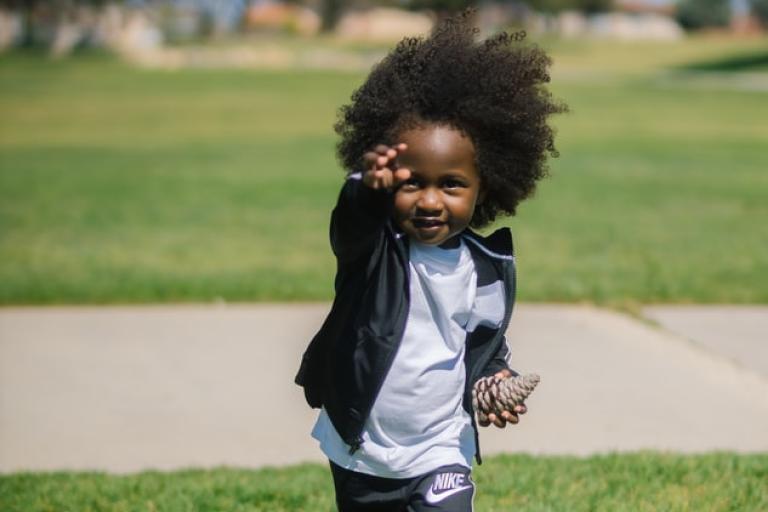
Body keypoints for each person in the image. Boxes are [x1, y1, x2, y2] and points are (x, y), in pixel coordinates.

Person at [294, 9, 566, 512]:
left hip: (442, 445)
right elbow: (349, 228)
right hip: (363, 449)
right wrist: (365, 192)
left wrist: (496, 379)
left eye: (452, 184)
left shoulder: (484, 268)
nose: (431, 201)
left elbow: (483, 343)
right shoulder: (375, 253)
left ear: (486, 187)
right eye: (412, 182)